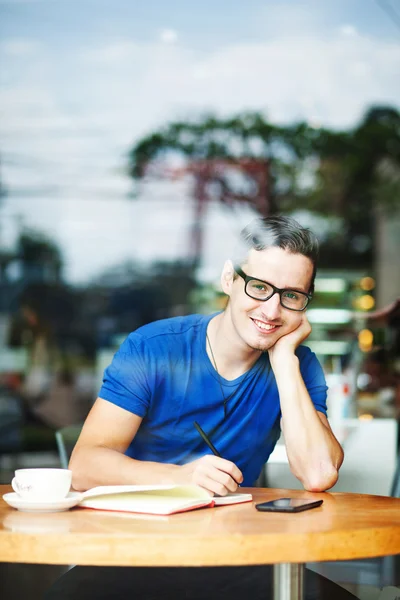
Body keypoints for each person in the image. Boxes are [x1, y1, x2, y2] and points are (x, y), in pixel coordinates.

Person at [45, 215, 356, 600]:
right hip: (131, 551)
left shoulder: (298, 363)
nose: (273, 311)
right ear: (229, 279)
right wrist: (180, 478)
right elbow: (85, 464)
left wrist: (284, 360)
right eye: (259, 287)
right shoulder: (154, 347)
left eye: (291, 296)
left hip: (239, 553)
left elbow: (320, 472)